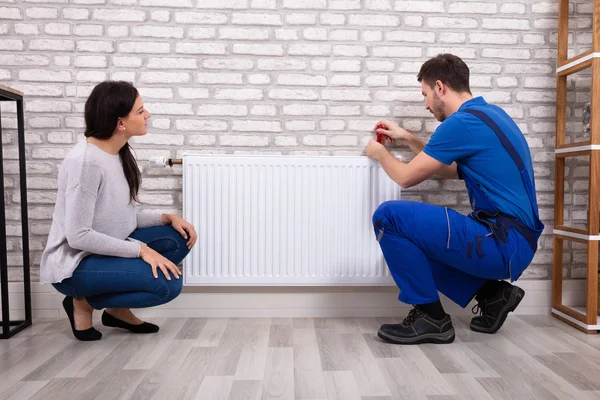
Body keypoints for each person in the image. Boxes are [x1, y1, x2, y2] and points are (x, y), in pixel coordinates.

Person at [365, 54, 544, 345]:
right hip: (515, 242)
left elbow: (406, 177)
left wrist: (380, 154)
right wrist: (410, 139)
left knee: (389, 217)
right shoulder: (490, 115)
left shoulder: (460, 124)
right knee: (419, 238)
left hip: (502, 241)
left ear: (439, 87)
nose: (425, 104)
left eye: (424, 94)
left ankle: (431, 318)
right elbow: (452, 170)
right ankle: (492, 295)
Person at [40, 81, 197, 341]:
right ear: (120, 123)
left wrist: (167, 217)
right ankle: (82, 303)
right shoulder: (86, 163)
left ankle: (116, 311)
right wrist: (142, 250)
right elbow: (78, 236)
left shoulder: (117, 152)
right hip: (76, 264)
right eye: (140, 110)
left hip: (104, 250)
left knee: (177, 236)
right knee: (168, 285)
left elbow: (120, 217)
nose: (148, 115)